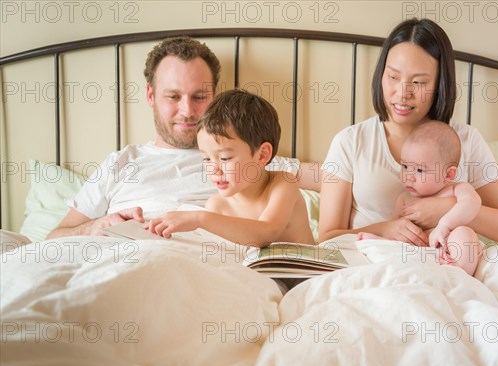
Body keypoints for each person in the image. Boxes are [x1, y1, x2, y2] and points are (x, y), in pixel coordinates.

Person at [46, 36, 317, 240]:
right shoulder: (121, 162)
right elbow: (53, 238)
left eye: (199, 97)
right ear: (151, 96)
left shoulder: (250, 156)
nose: (187, 111)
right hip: (115, 255)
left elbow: (338, 178)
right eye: (173, 96)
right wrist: (96, 225)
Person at [318, 18, 498, 245]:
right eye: (393, 77)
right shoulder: (350, 142)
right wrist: (384, 230)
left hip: (444, 266)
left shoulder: (466, 141)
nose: (402, 93)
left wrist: (452, 209)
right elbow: (327, 237)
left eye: (418, 82)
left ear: (440, 85)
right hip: (372, 265)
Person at [146, 89, 314, 247]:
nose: (214, 170)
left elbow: (267, 231)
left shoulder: (283, 183)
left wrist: (199, 218)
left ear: (262, 154)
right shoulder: (217, 206)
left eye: (225, 158)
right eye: (206, 158)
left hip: (306, 274)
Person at [358, 121, 482, 275]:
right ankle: (381, 245)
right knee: (400, 240)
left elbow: (472, 203)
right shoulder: (404, 199)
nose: (409, 176)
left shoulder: (456, 189)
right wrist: (384, 237)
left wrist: (445, 225)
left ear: (448, 174)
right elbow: (394, 228)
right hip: (420, 251)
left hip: (450, 248)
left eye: (419, 170)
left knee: (464, 234)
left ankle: (460, 270)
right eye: (404, 166)